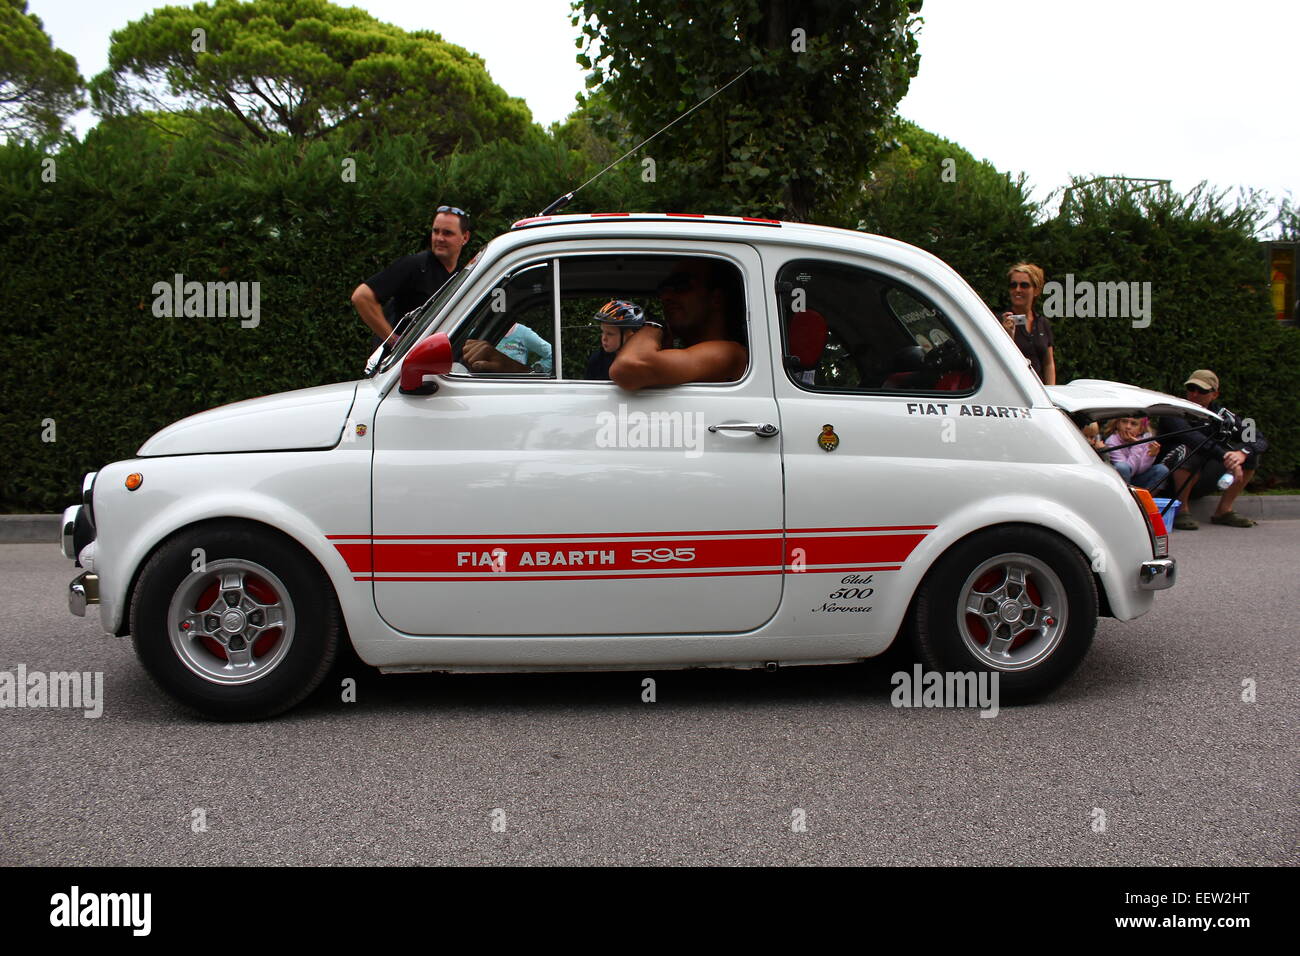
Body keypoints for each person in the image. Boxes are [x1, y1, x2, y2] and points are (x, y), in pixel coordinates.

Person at [609, 260, 748, 390]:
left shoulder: (728, 354)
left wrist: (656, 325)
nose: (665, 296)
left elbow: (629, 365)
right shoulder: (694, 354)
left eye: (681, 285)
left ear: (716, 299)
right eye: (663, 289)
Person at [1157, 370, 1267, 529]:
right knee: (1190, 449)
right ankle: (1181, 510)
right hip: (1167, 480)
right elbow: (1193, 439)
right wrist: (1226, 457)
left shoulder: (1223, 415)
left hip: (1202, 475)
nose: (1194, 394)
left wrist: (1242, 453)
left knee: (1250, 455)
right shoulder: (1173, 411)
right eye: (1191, 388)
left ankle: (1224, 511)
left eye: (1201, 390)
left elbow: (1257, 437)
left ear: (1214, 395)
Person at [351, 205, 471, 347]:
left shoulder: (461, 277)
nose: (439, 238)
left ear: (465, 237)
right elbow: (362, 296)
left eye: (447, 233)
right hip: (398, 365)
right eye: (435, 231)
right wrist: (394, 341)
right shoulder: (414, 265)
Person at [998, 262, 1056, 385]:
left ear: (1036, 290)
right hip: (1014, 390)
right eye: (1013, 285)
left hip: (1039, 392)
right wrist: (1007, 335)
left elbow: (1048, 363)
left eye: (1024, 285)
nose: (1017, 290)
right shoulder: (1000, 322)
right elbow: (999, 362)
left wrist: (1051, 391)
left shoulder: (1042, 323)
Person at [1103, 417, 1169, 490]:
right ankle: (1126, 497)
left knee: (1162, 469)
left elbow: (1140, 470)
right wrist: (1137, 445)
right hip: (1120, 481)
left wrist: (1151, 456)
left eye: (1133, 424)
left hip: (1137, 479)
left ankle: (1145, 499)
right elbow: (1128, 471)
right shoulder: (1112, 441)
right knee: (1122, 466)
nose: (1128, 427)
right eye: (1124, 421)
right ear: (1118, 424)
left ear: (1141, 429)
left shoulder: (1146, 439)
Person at [585, 300, 644, 380]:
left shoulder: (643, 359)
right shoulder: (598, 360)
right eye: (602, 331)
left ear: (630, 334)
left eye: (610, 334)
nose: (604, 338)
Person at [463, 323, 553, 374]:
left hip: (514, 385)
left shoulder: (522, 332)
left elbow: (552, 354)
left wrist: (533, 371)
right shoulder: (481, 332)